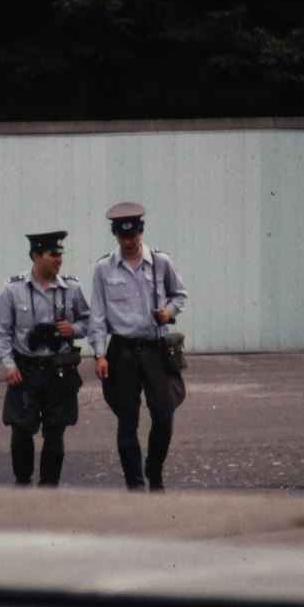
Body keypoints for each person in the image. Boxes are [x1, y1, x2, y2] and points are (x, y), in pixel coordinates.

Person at [89, 201, 188, 491]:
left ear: (141, 232)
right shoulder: (103, 268)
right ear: (115, 235)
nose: (128, 241)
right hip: (122, 351)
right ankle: (134, 485)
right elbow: (97, 315)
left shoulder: (160, 262)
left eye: (133, 235)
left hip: (155, 348)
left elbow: (180, 294)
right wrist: (98, 353)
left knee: (164, 414)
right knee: (127, 417)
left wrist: (169, 312)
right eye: (122, 236)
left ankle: (154, 472)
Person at [0, 230, 91, 487]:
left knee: (55, 431)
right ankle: (22, 482)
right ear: (36, 255)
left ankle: (49, 486)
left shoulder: (72, 289)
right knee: (21, 429)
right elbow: (2, 333)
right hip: (25, 369)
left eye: (60, 254)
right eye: (53, 254)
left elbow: (89, 321)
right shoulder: (13, 290)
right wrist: (9, 364)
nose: (59, 260)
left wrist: (74, 330)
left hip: (59, 370)